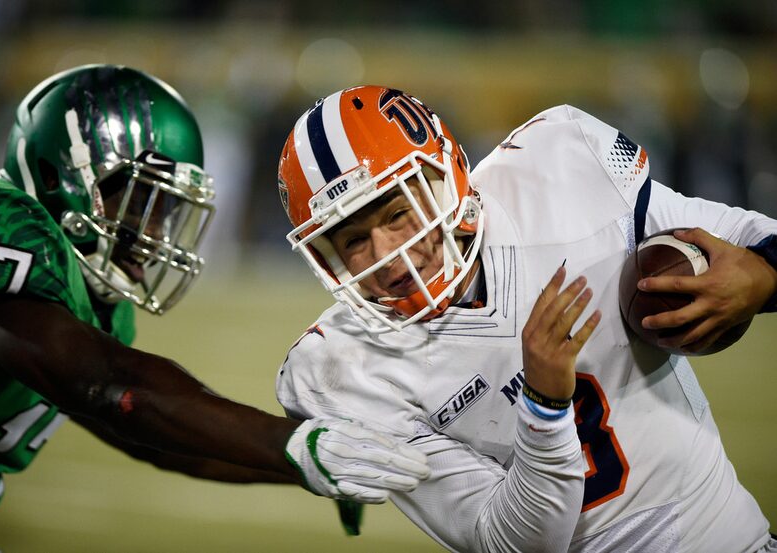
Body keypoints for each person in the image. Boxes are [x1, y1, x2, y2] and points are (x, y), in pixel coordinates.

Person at [0, 68, 432, 553]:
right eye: (141, 204)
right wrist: (294, 446)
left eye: (167, 213)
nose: (156, 234)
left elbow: (153, 439)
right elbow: (110, 385)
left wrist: (316, 463)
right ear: (58, 177)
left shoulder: (90, 301)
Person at [275, 86, 777, 552]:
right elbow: (508, 543)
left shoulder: (556, 165)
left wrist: (762, 275)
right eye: (352, 240)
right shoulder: (341, 371)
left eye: (395, 213)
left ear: (444, 176)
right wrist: (543, 408)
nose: (387, 255)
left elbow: (746, 236)